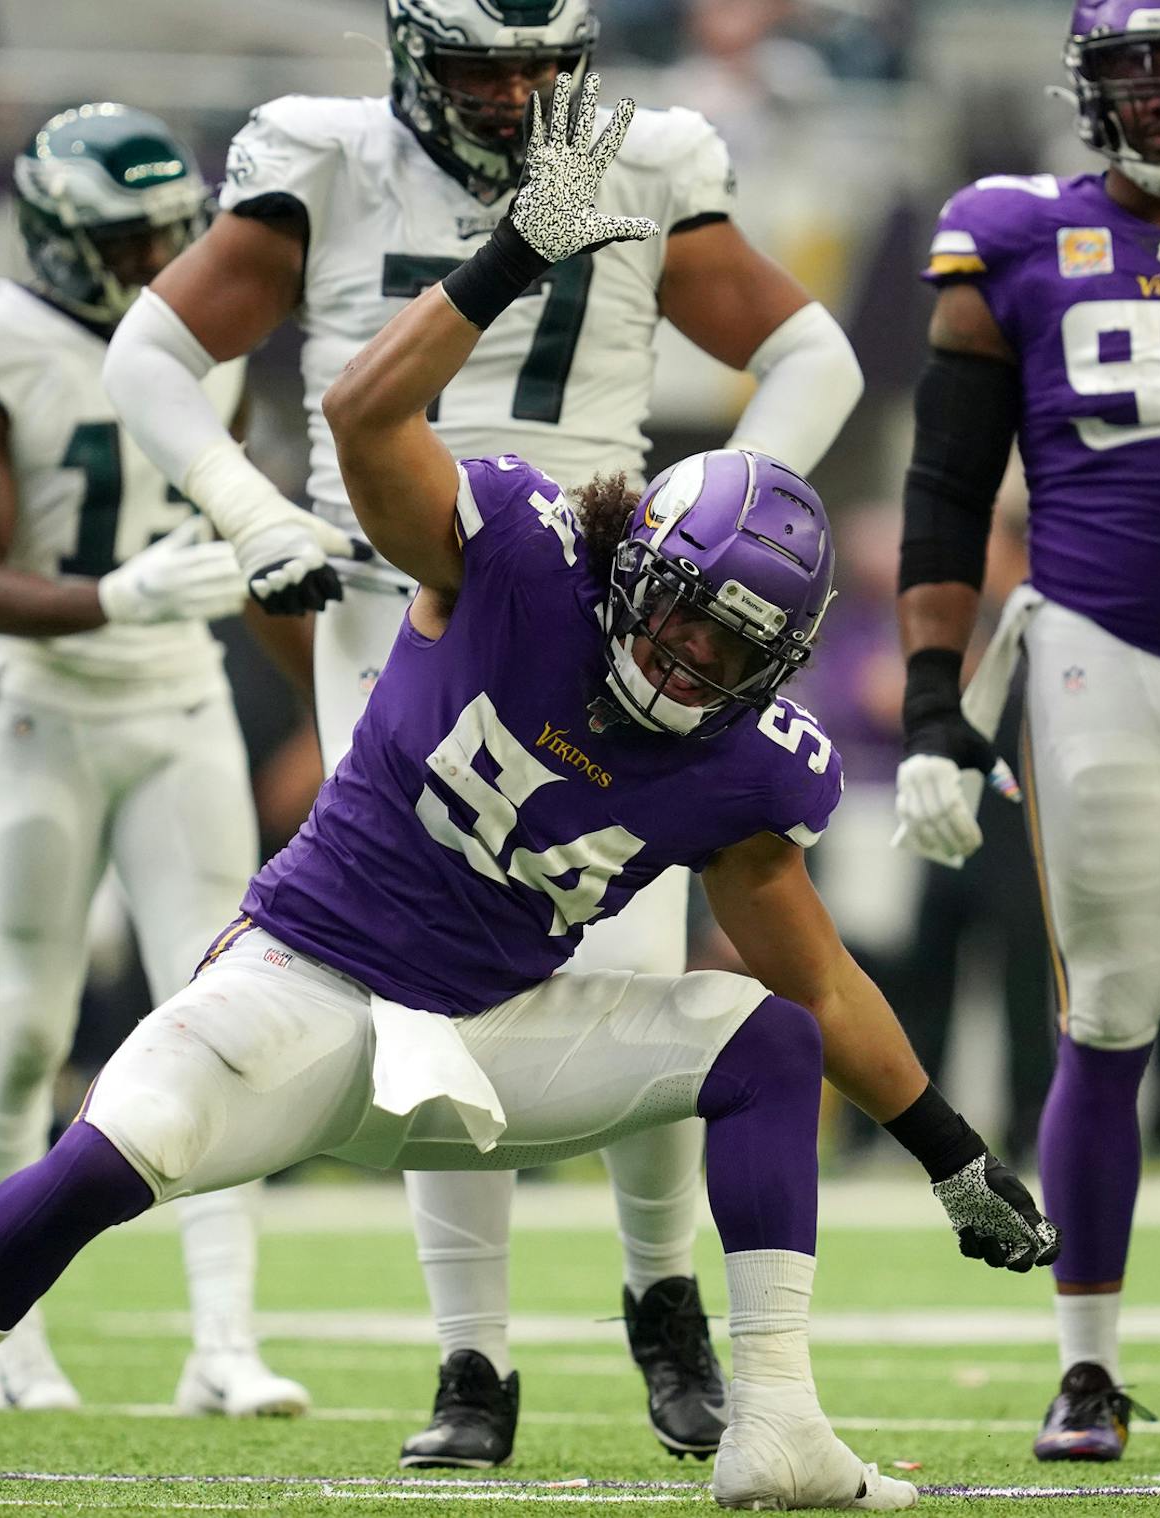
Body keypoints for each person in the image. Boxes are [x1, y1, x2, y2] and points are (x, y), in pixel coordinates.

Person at [0, 75, 1054, 1511]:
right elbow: (366, 414)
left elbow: (822, 982)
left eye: (735, 647)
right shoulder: (507, 553)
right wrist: (512, 253)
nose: (689, 658)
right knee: (105, 1160)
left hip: (503, 1035)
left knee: (759, 1042)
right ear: (632, 568)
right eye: (684, 613)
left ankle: (777, 1420)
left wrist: (950, 1151)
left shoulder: (743, 761)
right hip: (309, 987)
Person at [100, 0, 864, 1467]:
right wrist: (258, 510)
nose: (511, 96)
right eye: (476, 67)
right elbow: (149, 354)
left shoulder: (641, 159)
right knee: (422, 984)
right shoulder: (324, 159)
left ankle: (664, 1301)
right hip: (403, 601)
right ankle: (474, 1356)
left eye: (535, 66)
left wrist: (712, 530)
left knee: (635, 968)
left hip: (618, 618)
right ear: (405, 56)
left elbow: (815, 353)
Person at [891, 0, 1160, 1464]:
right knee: (1112, 1013)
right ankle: (1085, 1367)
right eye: (1132, 73)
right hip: (1095, 650)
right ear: (1089, 90)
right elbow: (949, 485)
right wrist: (938, 701)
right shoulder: (1012, 237)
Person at [0, 103, 307, 1419]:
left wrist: (344, 721)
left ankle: (223, 1343)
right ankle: (6, 1336)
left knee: (226, 1016)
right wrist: (120, 598)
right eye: (135, 237)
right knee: (31, 1028)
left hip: (179, 699)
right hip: (46, 699)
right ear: (60, 238)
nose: (165, 254)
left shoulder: (207, 333)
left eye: (176, 229)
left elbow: (247, 561)